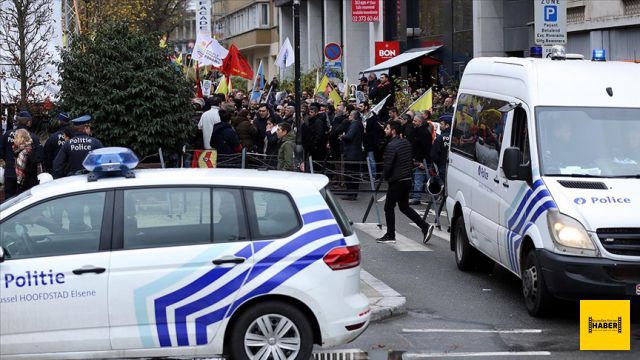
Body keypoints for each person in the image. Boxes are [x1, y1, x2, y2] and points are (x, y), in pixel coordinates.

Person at [376, 121, 434, 244]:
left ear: (393, 131)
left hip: (397, 180)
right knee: (404, 207)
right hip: (407, 179)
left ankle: (390, 234)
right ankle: (425, 227)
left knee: (388, 207)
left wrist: (386, 177)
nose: (385, 130)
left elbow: (388, 164)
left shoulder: (392, 145)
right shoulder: (406, 143)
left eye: (387, 128)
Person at [1, 111, 43, 199]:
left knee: (9, 200)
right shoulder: (32, 137)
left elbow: (1, 153)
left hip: (10, 172)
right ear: (29, 122)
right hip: (26, 176)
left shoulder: (7, 134)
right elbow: (38, 157)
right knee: (25, 200)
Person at [409, 114, 433, 205]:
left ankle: (416, 198)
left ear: (420, 122)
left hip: (422, 160)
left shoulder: (424, 133)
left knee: (419, 179)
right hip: (417, 159)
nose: (413, 122)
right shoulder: (417, 131)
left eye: (415, 121)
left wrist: (424, 161)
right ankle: (414, 194)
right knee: (417, 178)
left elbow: (427, 148)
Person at [340, 110, 364, 200]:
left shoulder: (354, 124)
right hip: (356, 152)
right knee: (355, 174)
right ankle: (354, 193)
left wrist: (342, 137)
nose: (348, 116)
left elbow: (349, 136)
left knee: (349, 174)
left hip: (351, 153)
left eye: (350, 115)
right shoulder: (359, 124)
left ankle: (350, 193)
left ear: (354, 116)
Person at [12, 128, 39, 194]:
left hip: (25, 186)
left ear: (21, 139)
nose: (14, 140)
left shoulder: (23, 153)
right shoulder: (30, 149)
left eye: (16, 138)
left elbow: (19, 175)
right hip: (32, 183)